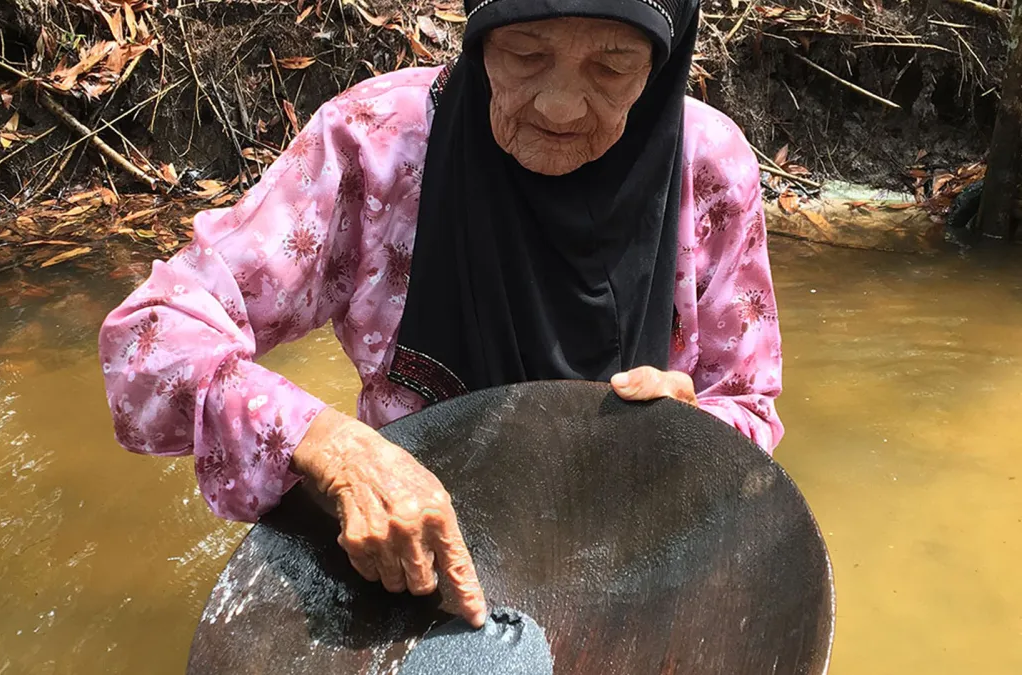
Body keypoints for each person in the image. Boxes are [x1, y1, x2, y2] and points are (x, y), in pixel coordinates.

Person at [98, 0, 783, 633]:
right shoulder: (378, 145)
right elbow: (148, 343)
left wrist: (691, 435)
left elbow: (748, 405)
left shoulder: (708, 169)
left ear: (661, 65)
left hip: (625, 570)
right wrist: (328, 446)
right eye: (524, 53)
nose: (561, 104)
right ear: (480, 37)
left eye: (612, 67)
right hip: (406, 563)